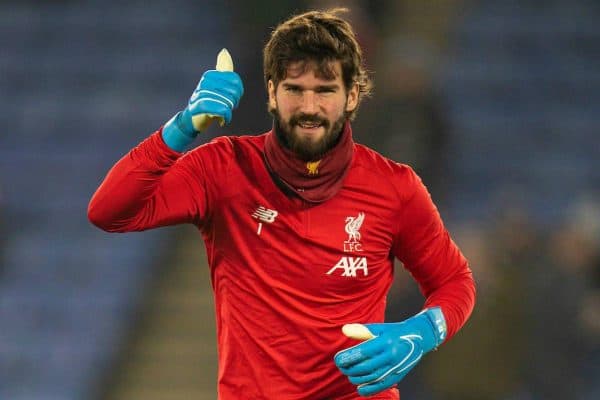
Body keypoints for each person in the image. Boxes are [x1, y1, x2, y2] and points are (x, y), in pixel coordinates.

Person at [88, 8, 475, 400]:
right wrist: (182, 126)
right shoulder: (223, 168)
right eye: (294, 89)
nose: (309, 107)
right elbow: (109, 212)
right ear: (272, 92)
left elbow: (454, 281)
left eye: (325, 90)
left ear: (352, 95)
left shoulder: (394, 186)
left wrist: (424, 331)